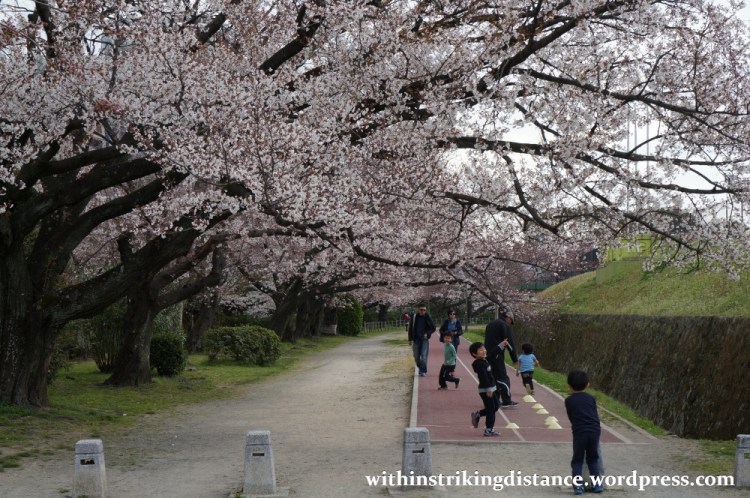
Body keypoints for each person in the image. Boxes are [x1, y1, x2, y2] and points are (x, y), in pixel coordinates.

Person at [564, 370, 603, 495]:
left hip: (580, 432)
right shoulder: (592, 398)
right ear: (588, 385)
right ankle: (597, 485)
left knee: (577, 460)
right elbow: (595, 415)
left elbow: (571, 416)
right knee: (593, 458)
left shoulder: (569, 401)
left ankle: (578, 487)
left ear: (569, 386)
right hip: (594, 431)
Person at [483, 309, 520, 408]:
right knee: (503, 378)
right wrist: (515, 359)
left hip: (488, 354)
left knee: (493, 377)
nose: (510, 324)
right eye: (511, 321)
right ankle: (507, 401)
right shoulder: (504, 325)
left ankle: (495, 400)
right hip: (497, 354)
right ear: (508, 318)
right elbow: (509, 343)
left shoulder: (490, 324)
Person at [469, 342, 500, 437]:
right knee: (491, 410)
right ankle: (489, 430)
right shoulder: (479, 364)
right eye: (481, 350)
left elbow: (492, 355)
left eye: (484, 349)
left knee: (496, 406)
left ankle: (478, 414)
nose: (484, 351)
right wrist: (488, 389)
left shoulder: (484, 360)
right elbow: (483, 377)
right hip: (486, 390)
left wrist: (501, 346)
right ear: (475, 354)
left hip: (491, 389)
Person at [407, 304, 436, 377]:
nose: (423, 311)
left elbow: (433, 328)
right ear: (418, 310)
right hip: (416, 339)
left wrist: (427, 333)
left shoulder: (427, 317)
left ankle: (423, 371)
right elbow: (410, 328)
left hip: (424, 340)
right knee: (416, 356)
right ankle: (420, 367)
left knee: (423, 356)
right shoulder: (414, 317)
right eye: (421, 310)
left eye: (424, 310)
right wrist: (410, 339)